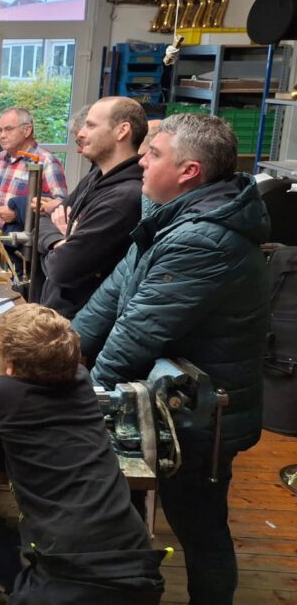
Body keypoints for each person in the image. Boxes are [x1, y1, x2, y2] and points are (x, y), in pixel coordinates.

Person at [73, 113, 270, 605]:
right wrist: (58, 350)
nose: (141, 160)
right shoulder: (170, 217)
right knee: (143, 508)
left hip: (202, 415)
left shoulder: (205, 238)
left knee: (199, 525)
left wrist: (82, 399)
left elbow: (137, 332)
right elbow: (112, 296)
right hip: (173, 401)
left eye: (154, 154)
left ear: (189, 171)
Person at [0, 303, 164, 604]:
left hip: (69, 570)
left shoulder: (4, 393)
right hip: (134, 558)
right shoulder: (81, 378)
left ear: (9, 366)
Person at [37, 97, 147, 318]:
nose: (80, 133)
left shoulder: (124, 198)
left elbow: (61, 268)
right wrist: (60, 241)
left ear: (122, 131)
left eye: (91, 125)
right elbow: (42, 221)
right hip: (56, 315)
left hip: (79, 324)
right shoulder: (95, 177)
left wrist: (60, 244)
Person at [0, 107, 68, 239]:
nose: (2, 136)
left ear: (27, 130)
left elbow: (59, 207)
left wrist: (18, 213)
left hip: (24, 247)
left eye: (8, 129)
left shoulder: (47, 162)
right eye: (0, 130)